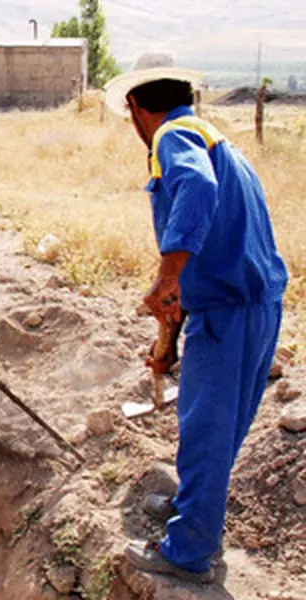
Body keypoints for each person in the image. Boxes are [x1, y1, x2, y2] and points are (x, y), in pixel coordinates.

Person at [101, 53, 287, 584]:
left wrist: (166, 276)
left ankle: (189, 553)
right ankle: (195, 515)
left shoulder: (172, 138)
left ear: (137, 106)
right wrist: (172, 329)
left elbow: (197, 190)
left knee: (204, 430)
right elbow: (222, 233)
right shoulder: (217, 138)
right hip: (256, 305)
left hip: (227, 313)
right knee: (220, 429)